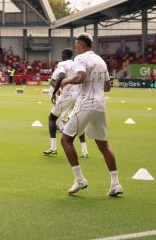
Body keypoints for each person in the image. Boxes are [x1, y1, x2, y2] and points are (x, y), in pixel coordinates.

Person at [59, 33, 122, 197]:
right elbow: (107, 87)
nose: (75, 47)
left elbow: (80, 77)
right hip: (100, 105)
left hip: (86, 103)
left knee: (66, 139)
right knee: (103, 145)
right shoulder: (101, 61)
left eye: (76, 44)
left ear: (80, 44)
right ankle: (115, 184)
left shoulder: (80, 59)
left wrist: (66, 81)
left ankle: (79, 179)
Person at [43, 48, 88, 158]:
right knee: (78, 121)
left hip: (67, 96)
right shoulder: (76, 64)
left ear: (63, 55)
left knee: (52, 118)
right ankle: (84, 151)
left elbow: (61, 76)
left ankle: (53, 148)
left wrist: (54, 92)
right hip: (78, 96)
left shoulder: (62, 64)